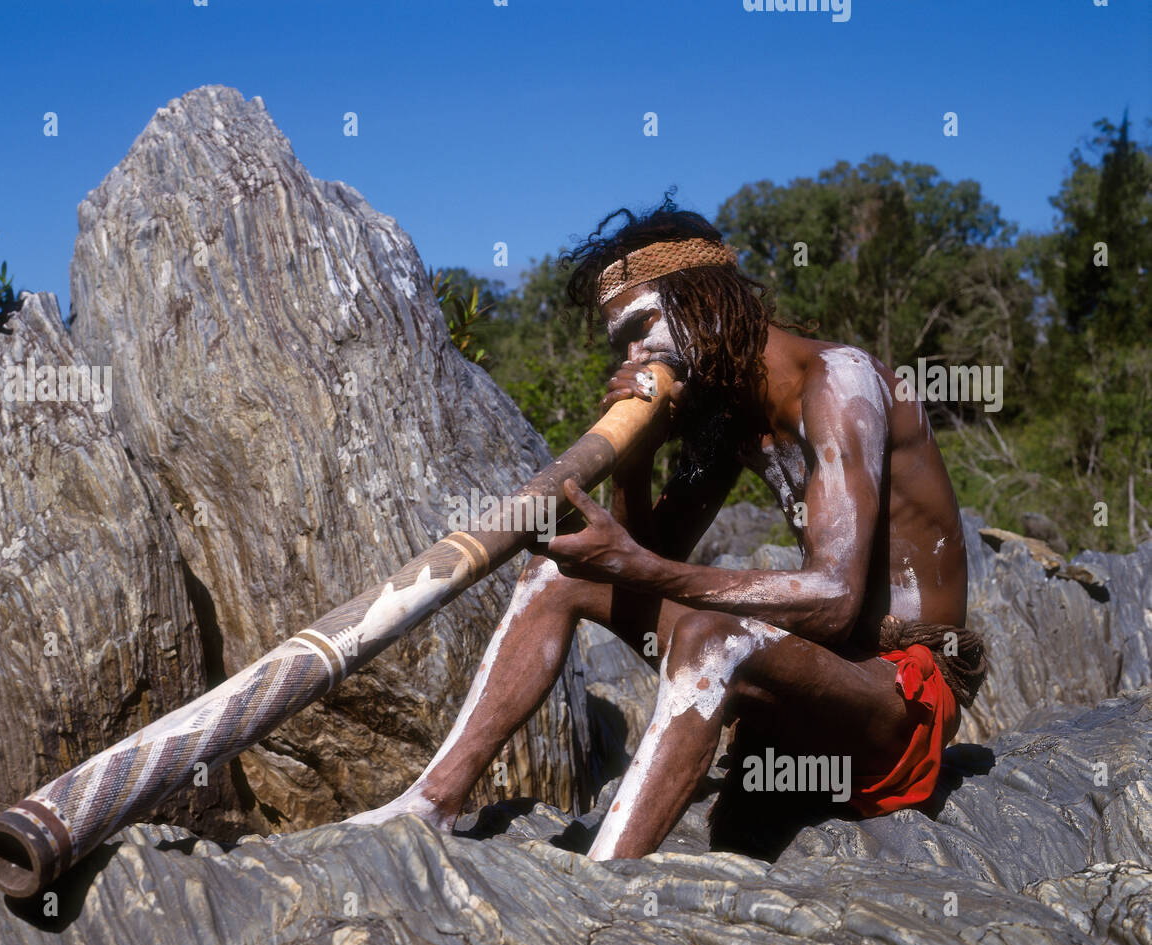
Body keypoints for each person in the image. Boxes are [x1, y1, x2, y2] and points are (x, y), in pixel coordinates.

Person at [346, 196, 987, 859]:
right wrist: (638, 454)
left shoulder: (839, 381)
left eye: (642, 324)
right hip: (812, 698)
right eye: (621, 340)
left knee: (714, 640)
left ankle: (601, 887)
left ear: (705, 300)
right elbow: (643, 556)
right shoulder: (730, 413)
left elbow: (834, 600)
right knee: (561, 575)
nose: (634, 351)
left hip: (898, 707)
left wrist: (638, 566)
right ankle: (430, 805)